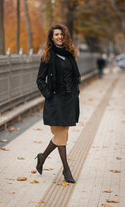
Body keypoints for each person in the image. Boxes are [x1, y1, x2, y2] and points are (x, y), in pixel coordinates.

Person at [36, 24, 81, 183]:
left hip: (69, 100)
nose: (59, 37)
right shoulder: (47, 55)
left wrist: (75, 92)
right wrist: (48, 95)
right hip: (55, 101)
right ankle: (66, 170)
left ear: (65, 36)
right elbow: (40, 79)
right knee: (61, 136)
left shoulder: (69, 54)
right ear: (51, 37)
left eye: (61, 34)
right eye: (56, 35)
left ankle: (42, 158)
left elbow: (75, 77)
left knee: (61, 136)